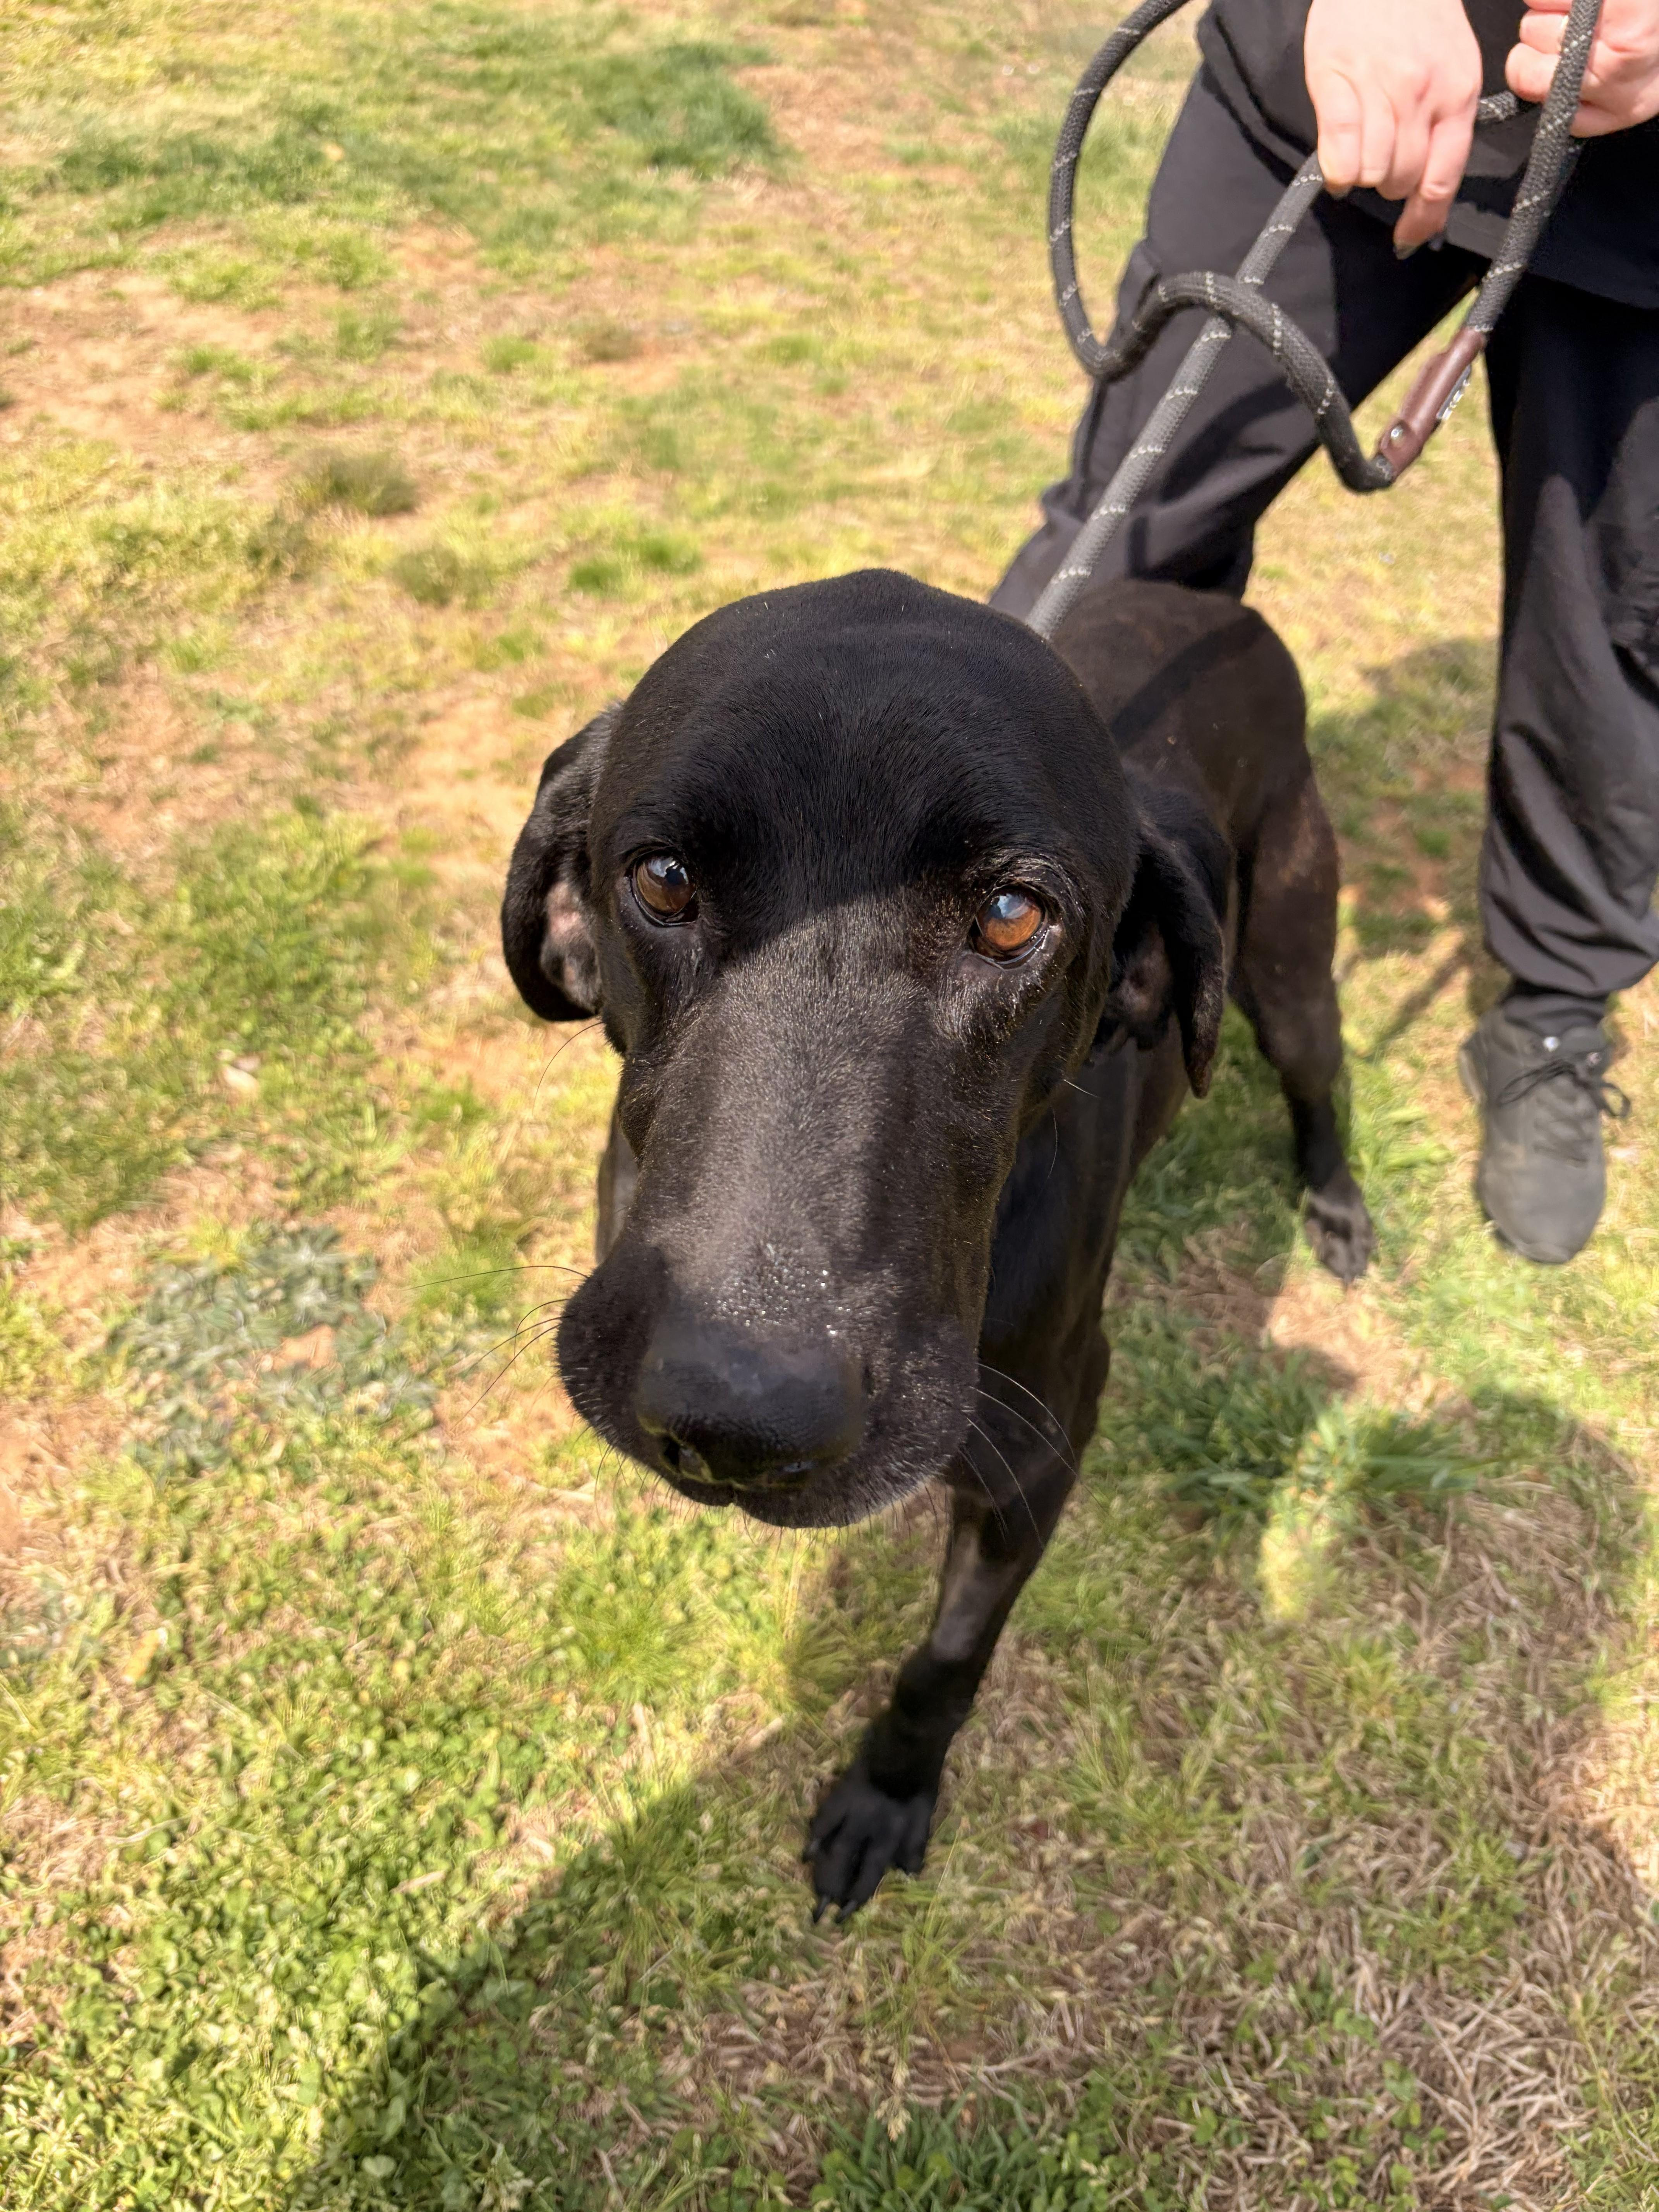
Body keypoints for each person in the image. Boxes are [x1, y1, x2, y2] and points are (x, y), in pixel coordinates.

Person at [993, 0, 1659, 1265]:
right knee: (1127, 541)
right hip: (1339, 76)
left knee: (1618, 630)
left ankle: (1556, 1009)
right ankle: (980, 958)